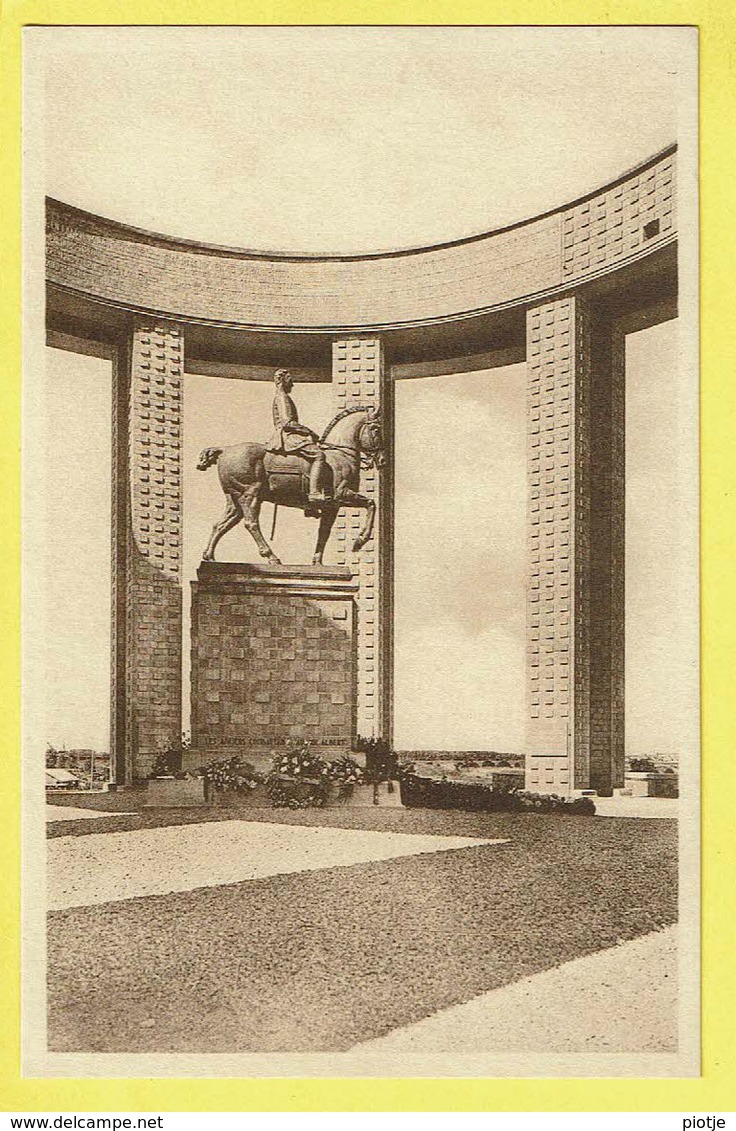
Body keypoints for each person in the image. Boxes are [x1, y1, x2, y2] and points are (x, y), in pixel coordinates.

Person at [266, 369, 331, 503]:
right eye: (290, 381)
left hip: (290, 434)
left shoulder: (282, 396)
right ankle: (314, 492)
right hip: (288, 436)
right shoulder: (282, 397)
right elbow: (287, 422)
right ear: (283, 380)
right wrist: (309, 432)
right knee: (319, 455)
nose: (292, 385)